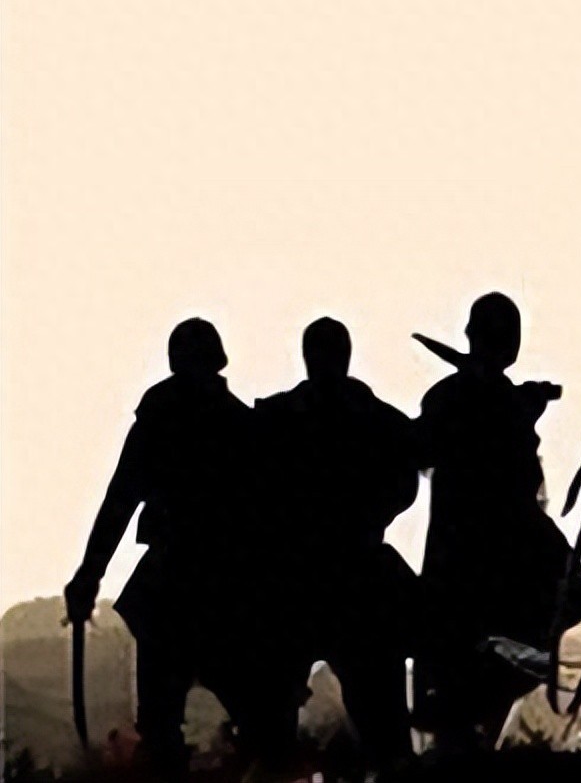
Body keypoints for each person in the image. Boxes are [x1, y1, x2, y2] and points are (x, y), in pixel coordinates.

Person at [64, 319, 257, 780]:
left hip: (187, 586)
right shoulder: (238, 425)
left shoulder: (167, 421)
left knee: (186, 722)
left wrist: (90, 574)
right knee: (228, 718)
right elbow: (120, 502)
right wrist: (89, 575)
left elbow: (120, 502)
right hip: (218, 586)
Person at [410, 293, 581, 750]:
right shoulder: (479, 401)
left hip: (472, 553)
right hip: (489, 552)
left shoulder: (459, 398)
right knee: (510, 644)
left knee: (506, 648)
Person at [253, 317, 420, 773]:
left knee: (278, 719)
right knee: (380, 720)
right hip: (350, 577)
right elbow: (405, 479)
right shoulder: (376, 420)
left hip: (300, 579)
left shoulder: (277, 419)